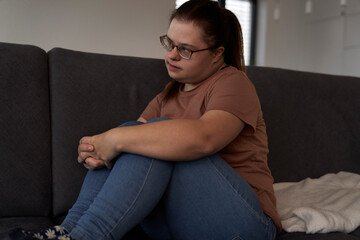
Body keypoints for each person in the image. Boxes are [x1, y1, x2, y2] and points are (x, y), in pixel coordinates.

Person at [7, 0, 281, 239]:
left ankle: (86, 236)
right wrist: (97, 149)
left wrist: (114, 139)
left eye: (185, 49)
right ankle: (67, 232)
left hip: (242, 225)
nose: (171, 55)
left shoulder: (233, 83)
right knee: (139, 136)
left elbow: (204, 138)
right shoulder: (167, 96)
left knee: (150, 135)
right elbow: (132, 145)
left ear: (217, 54)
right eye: (169, 43)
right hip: (178, 223)